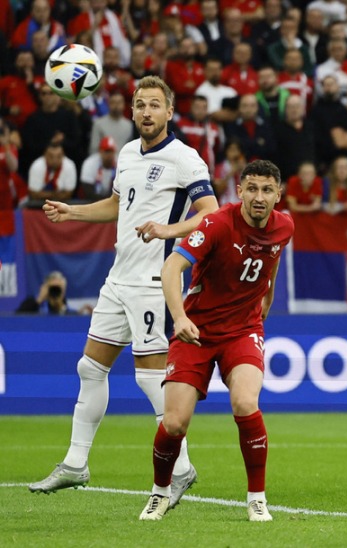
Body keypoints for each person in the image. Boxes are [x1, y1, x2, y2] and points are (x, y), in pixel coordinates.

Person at [29, 77, 219, 510]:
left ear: (169, 112)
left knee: (150, 378)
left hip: (155, 282)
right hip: (118, 278)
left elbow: (211, 213)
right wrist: (72, 211)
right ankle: (76, 463)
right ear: (131, 111)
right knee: (90, 368)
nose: (146, 112)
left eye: (154, 104)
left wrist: (168, 230)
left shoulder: (184, 158)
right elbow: (117, 205)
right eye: (140, 105)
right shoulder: (129, 153)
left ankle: (182, 467)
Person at [139, 159, 293, 522]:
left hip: (242, 331)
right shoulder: (216, 224)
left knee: (245, 402)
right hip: (197, 332)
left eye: (267, 190)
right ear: (239, 191)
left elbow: (271, 259)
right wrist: (179, 317)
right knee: (175, 423)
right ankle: (160, 492)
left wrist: (267, 298)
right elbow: (171, 267)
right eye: (251, 189)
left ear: (278, 195)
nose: (259, 197)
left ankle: (257, 499)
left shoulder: (285, 225)